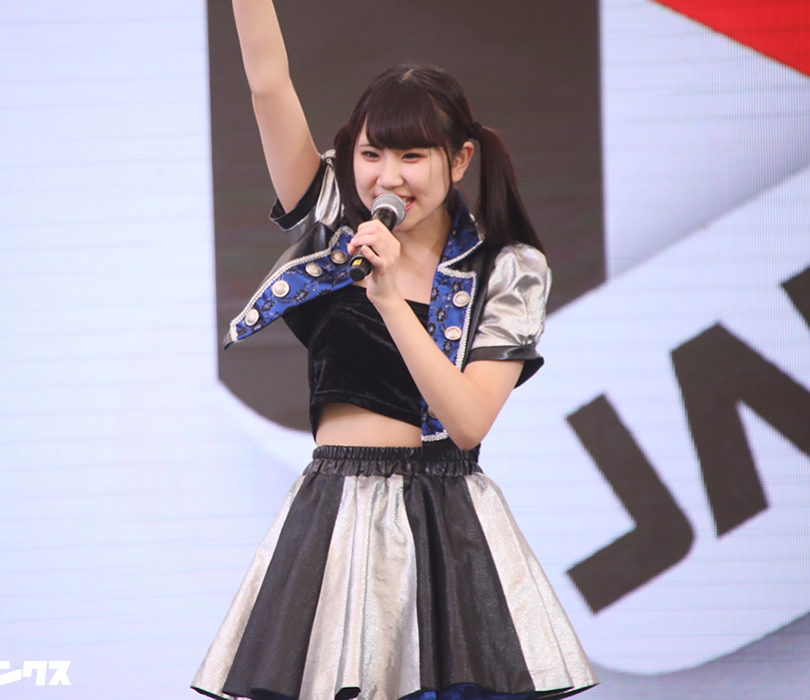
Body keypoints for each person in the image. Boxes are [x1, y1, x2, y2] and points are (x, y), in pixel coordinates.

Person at [193, 2, 599, 699]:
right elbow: (267, 84)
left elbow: (467, 421)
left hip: (447, 522)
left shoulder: (506, 269)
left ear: (459, 159)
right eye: (371, 154)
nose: (388, 177)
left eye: (412, 156)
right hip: (336, 514)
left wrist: (387, 299)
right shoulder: (334, 223)